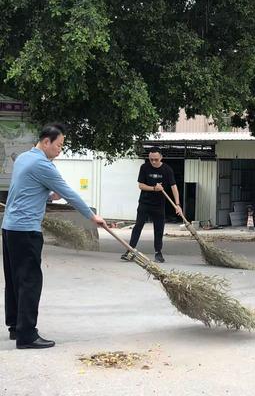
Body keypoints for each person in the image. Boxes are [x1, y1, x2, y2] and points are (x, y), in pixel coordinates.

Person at [2, 123, 106, 349]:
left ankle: (15, 327)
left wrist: (48, 196)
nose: (60, 150)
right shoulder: (43, 165)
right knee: (30, 281)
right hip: (26, 230)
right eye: (59, 145)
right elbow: (70, 193)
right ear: (46, 141)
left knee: (14, 280)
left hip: (9, 228)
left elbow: (24, 191)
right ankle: (27, 335)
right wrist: (91, 216)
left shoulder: (23, 158)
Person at [121, 147, 181, 263]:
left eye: (156, 159)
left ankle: (158, 253)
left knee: (159, 229)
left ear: (161, 158)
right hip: (144, 203)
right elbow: (141, 185)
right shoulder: (144, 167)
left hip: (159, 205)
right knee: (138, 226)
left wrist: (177, 204)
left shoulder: (167, 170)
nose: (153, 162)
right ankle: (130, 250)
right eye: (151, 159)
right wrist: (154, 188)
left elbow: (174, 187)